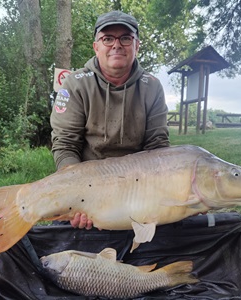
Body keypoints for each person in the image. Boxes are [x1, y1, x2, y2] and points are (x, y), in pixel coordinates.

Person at [50, 11, 170, 230]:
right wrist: (77, 194)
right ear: (96, 46)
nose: (117, 45)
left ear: (137, 46)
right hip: (88, 181)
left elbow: (158, 147)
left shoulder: (152, 86)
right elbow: (65, 145)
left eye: (126, 38)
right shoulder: (75, 84)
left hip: (139, 186)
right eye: (108, 38)